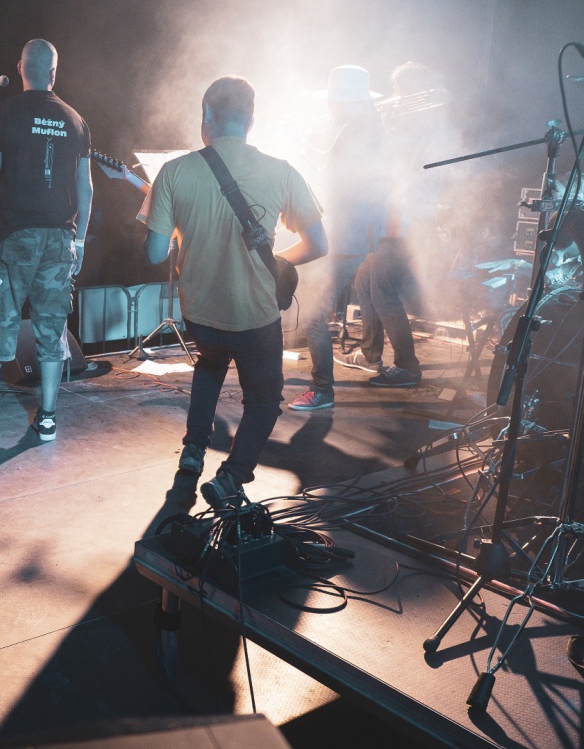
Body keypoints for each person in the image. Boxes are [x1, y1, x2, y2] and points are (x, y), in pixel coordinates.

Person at [145, 76, 327, 507]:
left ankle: (193, 450)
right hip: (255, 315)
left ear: (207, 115)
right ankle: (232, 476)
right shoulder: (282, 171)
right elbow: (319, 244)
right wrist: (275, 261)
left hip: (201, 313)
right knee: (263, 401)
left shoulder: (174, 171)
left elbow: (154, 253)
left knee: (209, 366)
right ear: (251, 120)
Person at [0, 38, 92, 442]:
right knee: (52, 329)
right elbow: (85, 189)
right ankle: (47, 418)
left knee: (0, 319)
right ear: (54, 72)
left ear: (20, 68)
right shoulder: (76, 120)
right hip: (60, 240)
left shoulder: (5, 112)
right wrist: (79, 242)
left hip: (14, 237)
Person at [336, 61, 446, 388]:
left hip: (399, 224)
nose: (393, 97)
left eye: (397, 90)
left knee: (382, 290)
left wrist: (384, 126)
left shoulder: (415, 131)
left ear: (409, 91)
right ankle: (370, 354)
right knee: (363, 281)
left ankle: (408, 367)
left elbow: (394, 170)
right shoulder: (406, 128)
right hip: (384, 221)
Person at [288, 65, 388, 411]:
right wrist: (310, 152)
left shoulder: (357, 133)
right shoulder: (364, 128)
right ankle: (331, 381)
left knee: (314, 313)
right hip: (355, 235)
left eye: (333, 100)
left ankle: (322, 390)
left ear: (347, 101)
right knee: (325, 307)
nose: (329, 106)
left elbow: (340, 184)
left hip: (346, 237)